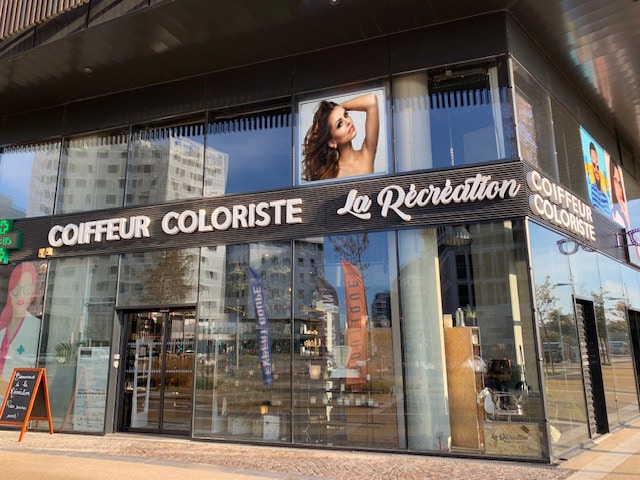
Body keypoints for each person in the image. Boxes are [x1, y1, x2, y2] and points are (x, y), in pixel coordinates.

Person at [302, 93, 379, 181]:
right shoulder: (329, 176)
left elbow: (371, 101)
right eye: (340, 124)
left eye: (345, 115)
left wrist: (338, 107)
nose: (348, 121)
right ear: (332, 142)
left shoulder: (366, 154)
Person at [0, 262, 40, 397]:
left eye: (27, 289)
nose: (21, 295)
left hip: (15, 398)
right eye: (16, 289)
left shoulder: (36, 327)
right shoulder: (2, 329)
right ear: (10, 293)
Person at [587, 142, 611, 215]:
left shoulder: (605, 195)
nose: (596, 169)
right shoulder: (591, 190)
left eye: (597, 165)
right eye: (593, 165)